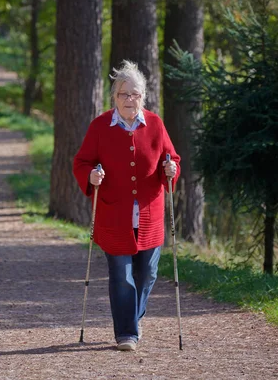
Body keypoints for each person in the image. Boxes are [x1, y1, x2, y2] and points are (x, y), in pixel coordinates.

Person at [73, 60, 180, 352]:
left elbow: (170, 159)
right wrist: (91, 175)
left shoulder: (155, 124)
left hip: (150, 215)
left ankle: (134, 317)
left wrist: (170, 170)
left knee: (147, 274)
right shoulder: (100, 126)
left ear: (143, 96)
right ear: (114, 97)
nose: (129, 99)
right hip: (113, 215)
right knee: (122, 276)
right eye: (123, 94)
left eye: (135, 94)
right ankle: (126, 334)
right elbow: (81, 162)